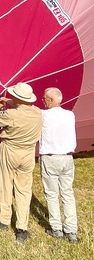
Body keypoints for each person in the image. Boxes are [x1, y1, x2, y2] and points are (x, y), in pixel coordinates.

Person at [0, 82, 42, 242]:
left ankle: (3, 221)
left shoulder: (11, 115)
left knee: (5, 185)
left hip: (10, 151)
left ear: (17, 97)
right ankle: (22, 228)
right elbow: (21, 105)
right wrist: (3, 99)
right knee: (24, 190)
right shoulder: (37, 112)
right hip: (28, 154)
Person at [39, 87, 78, 243]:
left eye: (44, 99)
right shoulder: (70, 115)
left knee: (52, 194)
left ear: (50, 100)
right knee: (68, 194)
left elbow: (25, 109)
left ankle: (56, 229)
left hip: (50, 158)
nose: (43, 101)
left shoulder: (44, 115)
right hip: (68, 159)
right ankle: (71, 230)